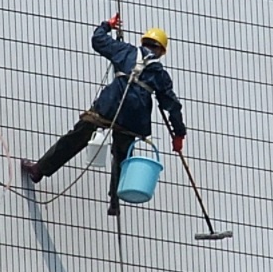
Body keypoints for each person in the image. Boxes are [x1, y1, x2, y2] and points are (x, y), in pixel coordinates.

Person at [21, 17, 187, 216]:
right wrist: (178, 134)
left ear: (143, 42)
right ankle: (115, 201)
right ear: (160, 51)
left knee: (78, 136)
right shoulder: (160, 74)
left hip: (108, 108)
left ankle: (39, 169)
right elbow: (172, 106)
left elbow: (98, 40)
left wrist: (107, 25)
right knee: (123, 156)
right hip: (132, 119)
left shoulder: (125, 51)